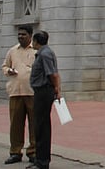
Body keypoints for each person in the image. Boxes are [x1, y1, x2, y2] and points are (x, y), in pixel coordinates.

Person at [2, 26, 36, 165]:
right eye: (19, 34)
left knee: (34, 124)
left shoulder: (36, 50)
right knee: (15, 124)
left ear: (30, 35)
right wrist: (8, 70)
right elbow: (4, 66)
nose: (21, 36)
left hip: (32, 92)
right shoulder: (12, 51)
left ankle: (33, 151)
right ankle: (15, 151)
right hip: (15, 92)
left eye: (24, 34)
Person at [29, 31, 60, 169]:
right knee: (40, 125)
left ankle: (42, 161)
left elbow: (52, 74)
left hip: (44, 91)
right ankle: (40, 158)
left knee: (41, 126)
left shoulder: (45, 54)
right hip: (41, 91)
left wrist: (57, 89)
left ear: (36, 41)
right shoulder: (44, 53)